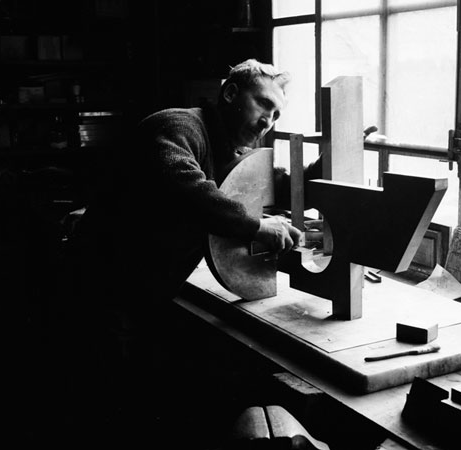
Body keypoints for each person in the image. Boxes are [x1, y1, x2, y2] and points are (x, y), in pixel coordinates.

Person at [63, 59, 321, 448]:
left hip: (145, 288)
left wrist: (325, 162)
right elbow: (184, 185)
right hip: (103, 285)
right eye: (262, 105)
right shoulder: (179, 126)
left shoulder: (225, 147)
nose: (268, 120)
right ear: (231, 94)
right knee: (105, 396)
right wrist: (257, 227)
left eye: (276, 114)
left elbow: (277, 186)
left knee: (135, 390)